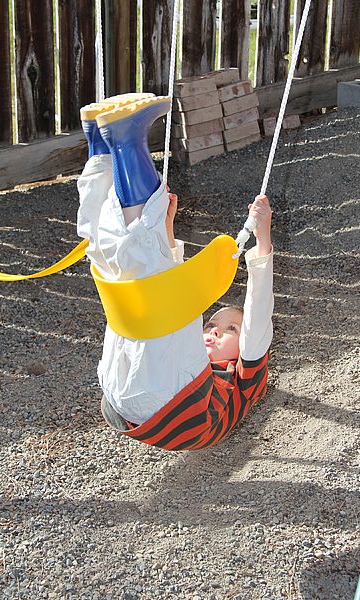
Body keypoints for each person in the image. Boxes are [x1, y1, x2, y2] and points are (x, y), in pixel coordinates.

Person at [77, 95, 274, 451]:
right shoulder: (243, 376)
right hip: (142, 400)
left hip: (164, 399)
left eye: (228, 329)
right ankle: (100, 146)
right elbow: (256, 316)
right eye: (220, 326)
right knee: (116, 269)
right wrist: (262, 240)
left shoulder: (231, 374)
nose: (214, 331)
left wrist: (263, 238)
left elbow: (253, 316)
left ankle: (123, 139)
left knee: (153, 279)